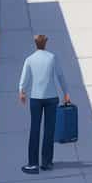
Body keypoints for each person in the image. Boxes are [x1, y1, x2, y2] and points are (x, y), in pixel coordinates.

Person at [18, 34, 70, 174]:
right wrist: (66, 93)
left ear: (35, 43)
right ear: (45, 43)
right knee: (49, 130)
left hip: (36, 98)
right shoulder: (52, 57)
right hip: (52, 97)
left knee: (35, 129)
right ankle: (46, 162)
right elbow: (60, 76)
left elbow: (24, 78)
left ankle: (33, 164)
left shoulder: (30, 59)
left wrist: (22, 92)